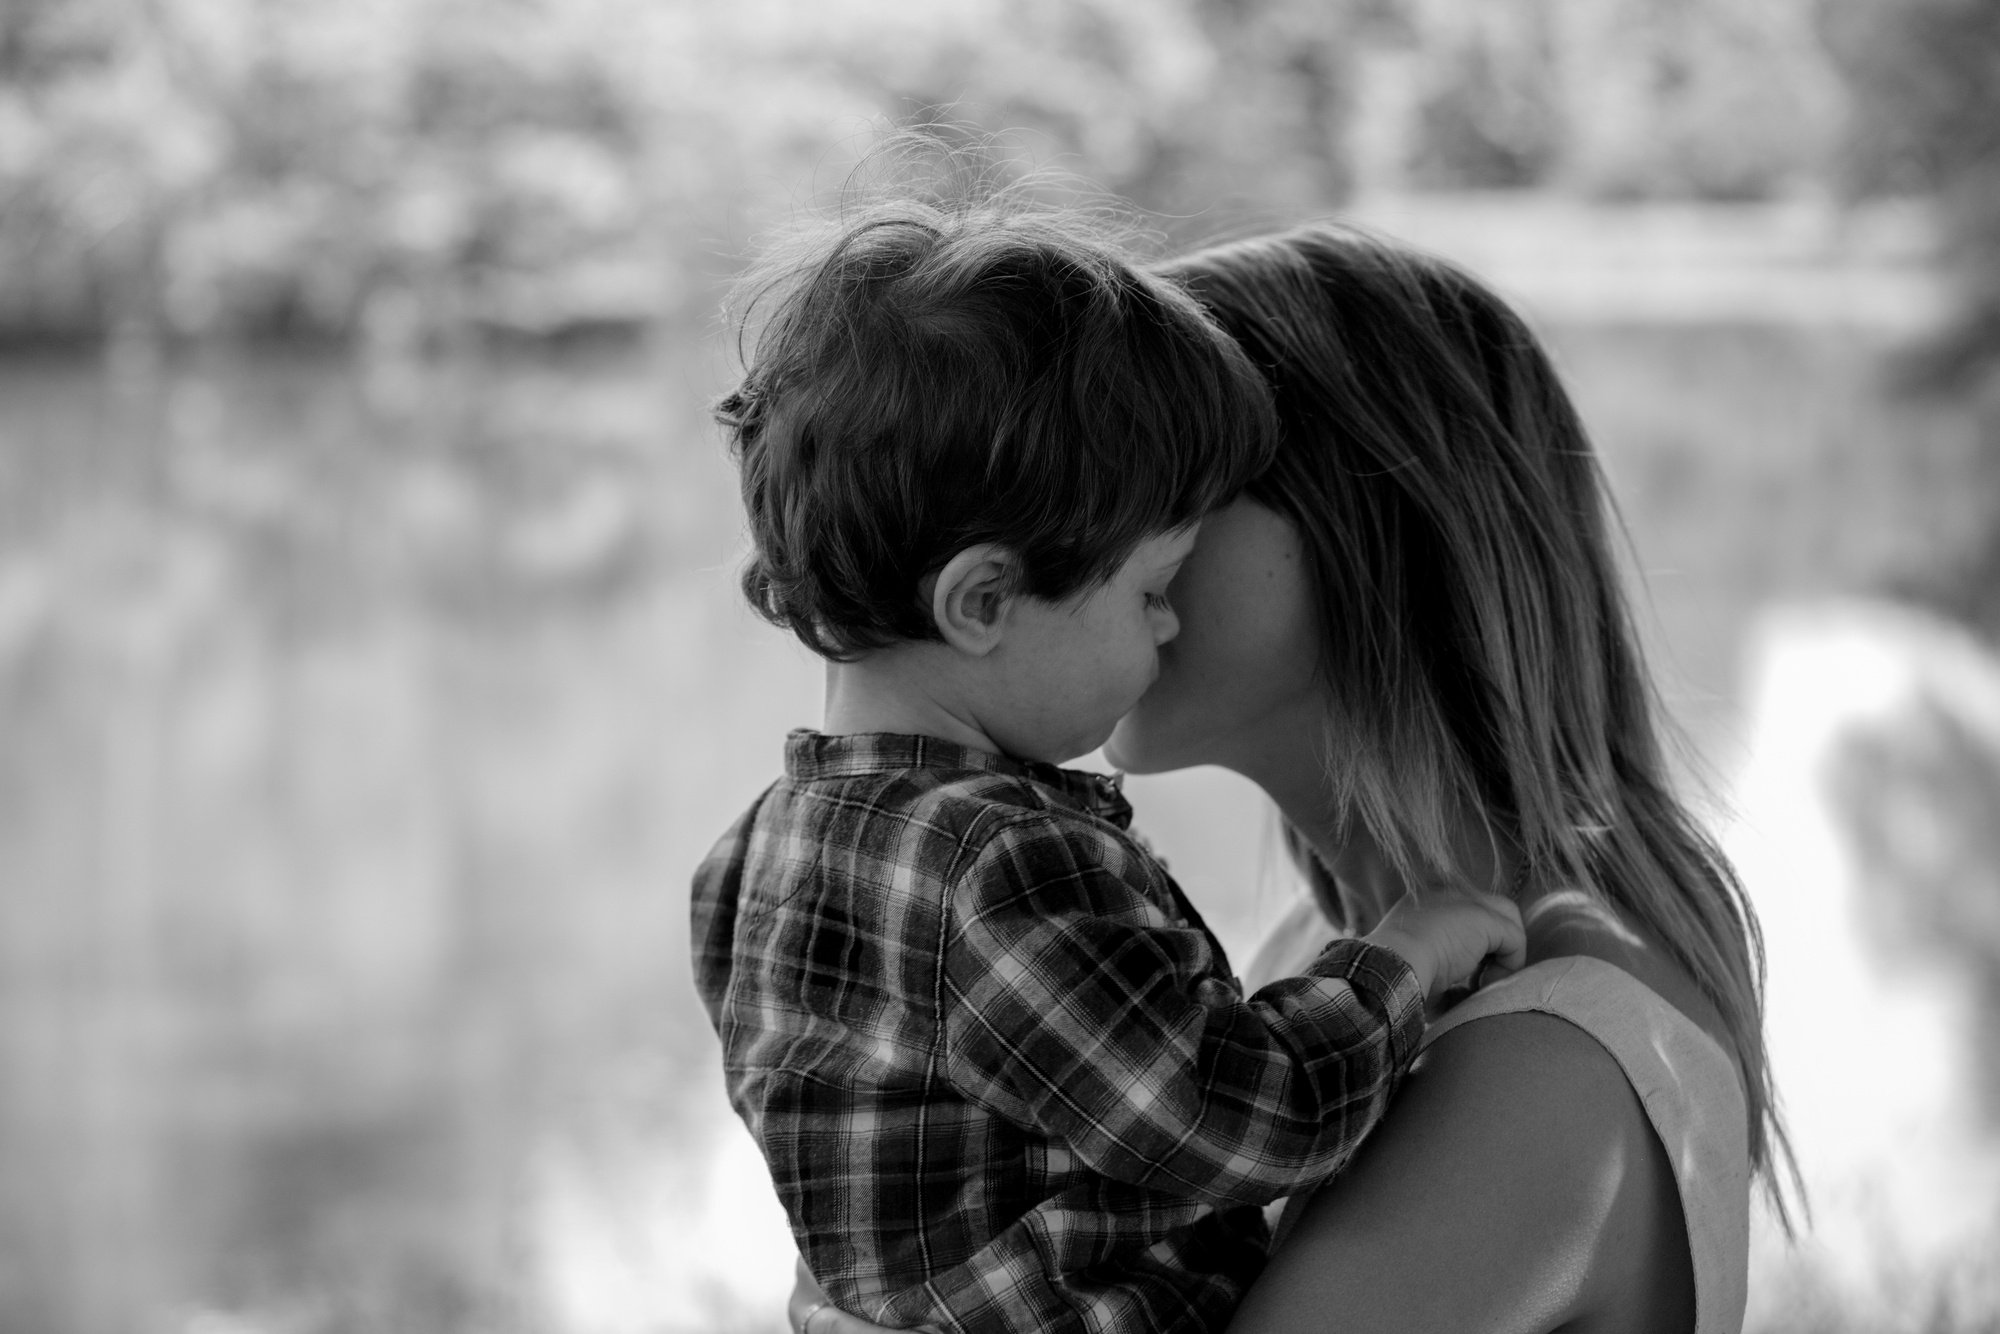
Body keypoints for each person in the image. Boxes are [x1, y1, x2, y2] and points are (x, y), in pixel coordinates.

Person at [788, 223, 1793, 1334]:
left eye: (1164, 483)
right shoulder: (1304, 979)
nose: (1073, 536)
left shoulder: (1541, 1060)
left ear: (1373, 529)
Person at [692, 194, 1528, 1334]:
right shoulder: (1003, 868)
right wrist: (1398, 962)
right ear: (983, 599)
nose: (1170, 624)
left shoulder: (747, 857)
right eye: (1146, 589)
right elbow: (1240, 1117)